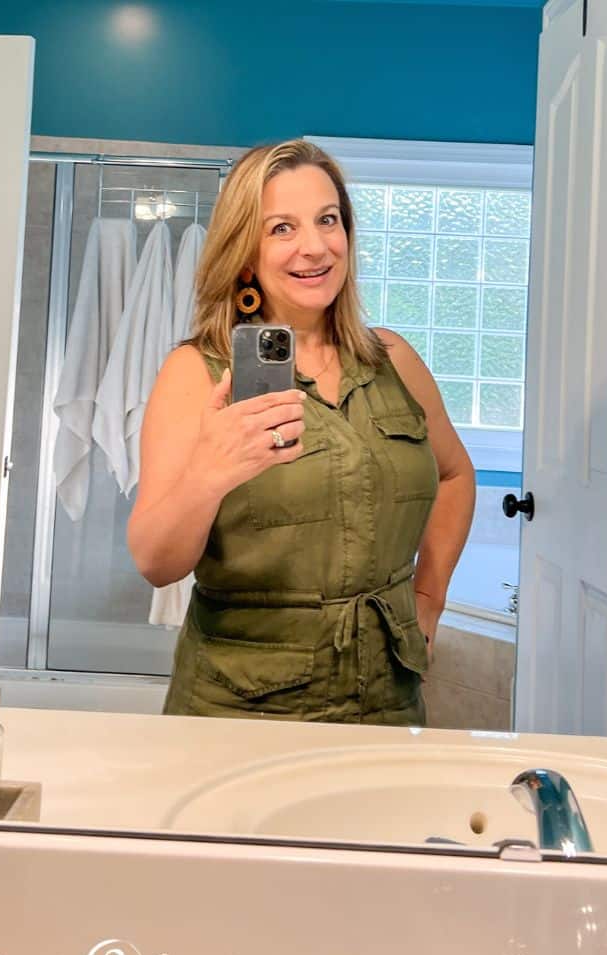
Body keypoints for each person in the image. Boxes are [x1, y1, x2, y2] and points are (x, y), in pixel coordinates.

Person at [127, 139, 475, 726]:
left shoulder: (394, 361)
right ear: (245, 254)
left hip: (385, 701)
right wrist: (210, 474)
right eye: (281, 228)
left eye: (327, 220)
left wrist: (428, 597)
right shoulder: (198, 371)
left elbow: (454, 474)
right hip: (242, 711)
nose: (314, 247)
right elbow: (157, 562)